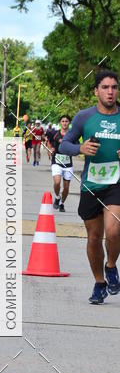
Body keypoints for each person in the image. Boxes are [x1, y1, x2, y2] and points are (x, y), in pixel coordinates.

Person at [59, 70, 120, 304]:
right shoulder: (84, 117)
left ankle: (111, 265)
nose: (110, 92)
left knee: (113, 231)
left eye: (114, 87)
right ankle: (99, 282)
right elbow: (64, 144)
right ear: (96, 91)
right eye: (105, 87)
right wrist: (80, 149)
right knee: (94, 238)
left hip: (116, 183)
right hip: (91, 185)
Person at [48, 115, 73, 212]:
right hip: (56, 161)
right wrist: (51, 149)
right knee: (57, 182)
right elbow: (49, 142)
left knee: (66, 187)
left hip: (68, 164)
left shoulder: (72, 135)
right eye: (63, 121)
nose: (65, 123)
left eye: (66, 121)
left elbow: (75, 145)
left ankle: (62, 203)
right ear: (60, 122)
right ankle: (57, 197)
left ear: (69, 123)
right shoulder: (55, 133)